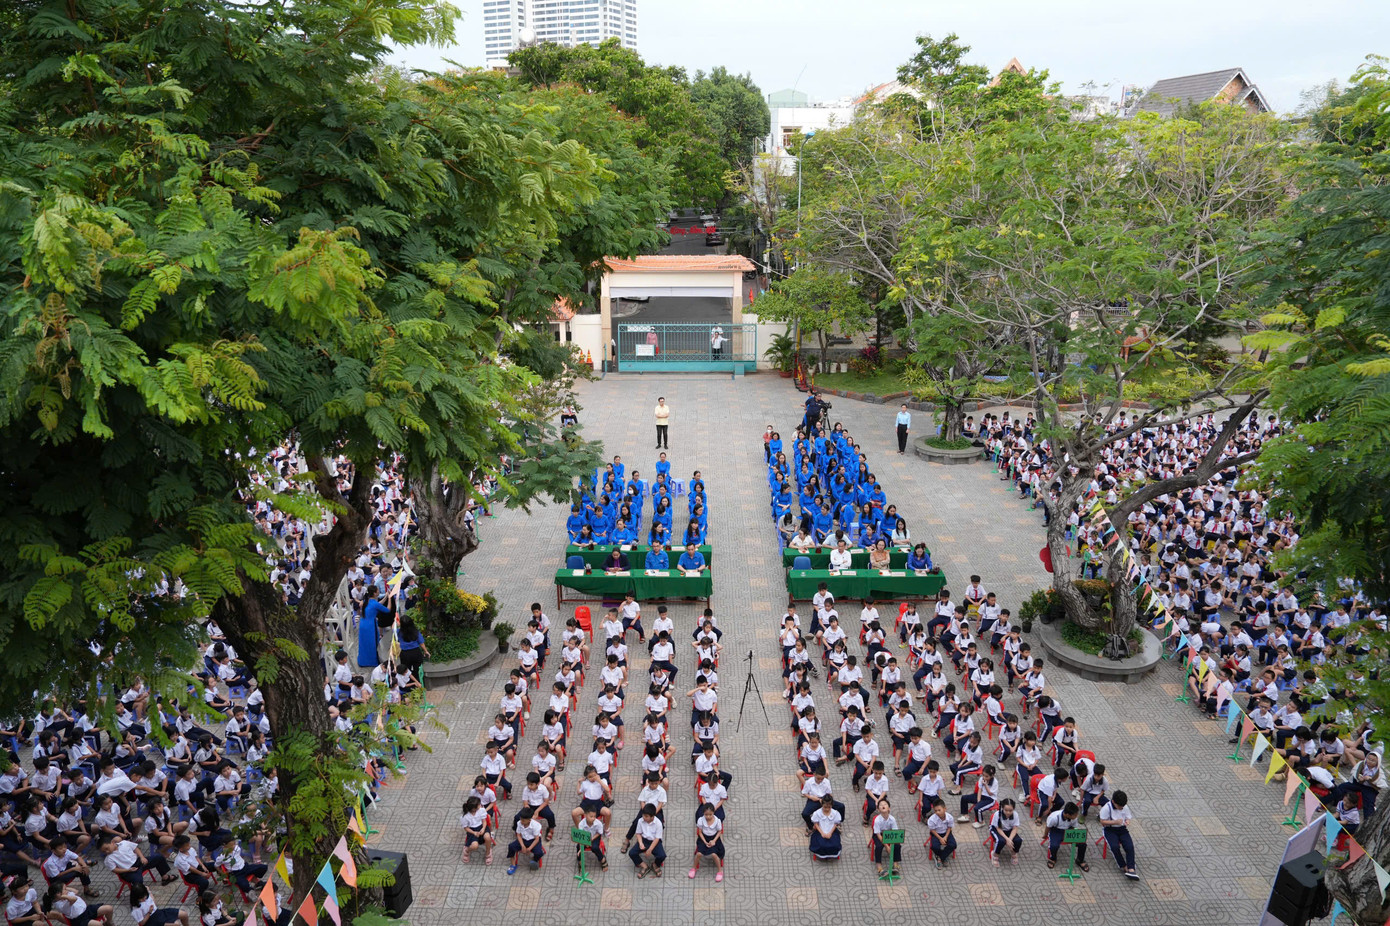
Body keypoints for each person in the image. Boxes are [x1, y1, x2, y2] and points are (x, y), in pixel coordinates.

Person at [1100, 790, 1138, 879]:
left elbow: (1128, 817)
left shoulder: (1124, 806)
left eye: (1122, 806)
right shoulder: (1106, 808)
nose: (1121, 808)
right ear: (1113, 801)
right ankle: (1124, 866)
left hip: (1122, 829)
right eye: (1119, 806)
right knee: (1114, 847)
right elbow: (1102, 822)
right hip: (1110, 829)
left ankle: (1131, 869)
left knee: (1129, 846)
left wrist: (1127, 821)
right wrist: (1114, 822)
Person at [688, 802, 725, 881]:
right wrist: (705, 842)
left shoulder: (717, 821)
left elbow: (719, 832)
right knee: (698, 854)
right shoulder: (701, 820)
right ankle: (694, 868)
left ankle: (720, 871)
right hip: (703, 838)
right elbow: (699, 832)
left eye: (710, 814)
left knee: (714, 855)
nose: (708, 816)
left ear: (713, 813)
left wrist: (714, 841)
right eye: (706, 815)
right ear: (703, 814)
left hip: (714, 839)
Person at [629, 803, 665, 878]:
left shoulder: (658, 823)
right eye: (643, 815)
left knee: (662, 856)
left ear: (652, 816)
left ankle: (655, 865)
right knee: (632, 853)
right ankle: (644, 866)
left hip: (654, 842)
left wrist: (650, 849)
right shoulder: (640, 821)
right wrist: (641, 843)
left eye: (646, 816)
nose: (644, 817)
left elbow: (657, 838)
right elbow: (638, 833)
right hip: (644, 840)